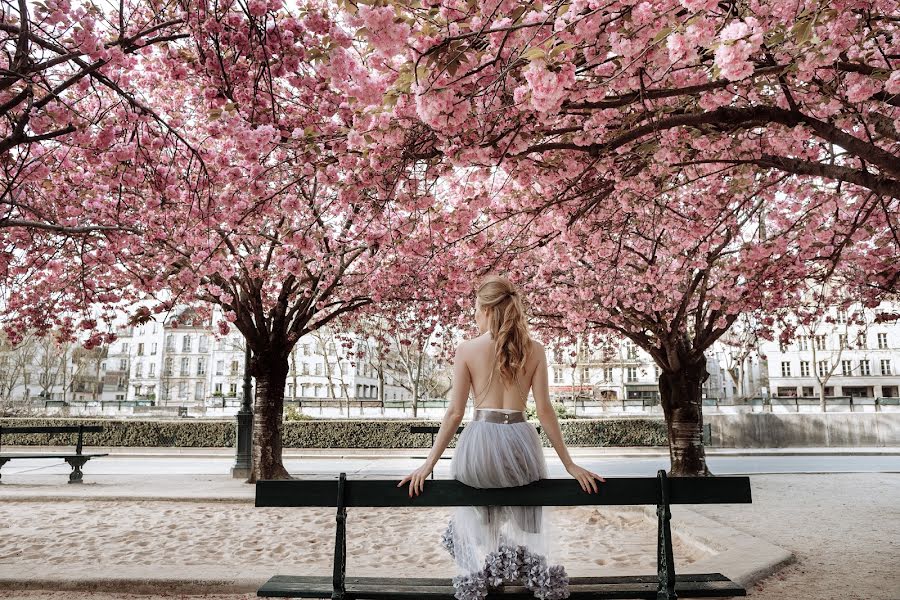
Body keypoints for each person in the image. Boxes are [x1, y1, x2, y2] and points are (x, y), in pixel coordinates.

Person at [398, 274, 606, 600]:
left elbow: (454, 414)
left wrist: (428, 465)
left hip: (480, 445)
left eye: (475, 309)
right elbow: (546, 410)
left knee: (475, 515)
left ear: (485, 308)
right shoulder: (535, 350)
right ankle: (514, 562)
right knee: (515, 511)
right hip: (522, 447)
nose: (473, 315)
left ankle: (485, 565)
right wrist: (570, 465)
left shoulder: (467, 348)